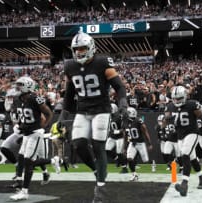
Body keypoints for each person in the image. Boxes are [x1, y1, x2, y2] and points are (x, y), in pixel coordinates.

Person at [57, 28, 128, 203]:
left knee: (98, 145)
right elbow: (69, 94)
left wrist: (123, 103)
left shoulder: (103, 62)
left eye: (82, 48)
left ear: (90, 47)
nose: (78, 52)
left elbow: (119, 86)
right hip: (82, 109)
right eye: (76, 49)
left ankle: (101, 187)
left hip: (101, 109)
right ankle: (98, 171)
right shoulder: (70, 65)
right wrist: (62, 115)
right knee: (78, 144)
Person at [9, 76, 59, 201]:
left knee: (28, 162)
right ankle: (53, 161)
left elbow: (48, 113)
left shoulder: (35, 98)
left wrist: (43, 126)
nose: (17, 87)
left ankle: (24, 192)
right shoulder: (18, 99)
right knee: (24, 160)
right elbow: (21, 117)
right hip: (26, 133)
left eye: (20, 85)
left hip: (35, 133)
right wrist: (18, 126)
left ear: (28, 85)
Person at [164, 85, 202, 197]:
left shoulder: (192, 104)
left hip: (192, 133)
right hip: (180, 136)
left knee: (185, 154)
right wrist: (166, 121)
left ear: (184, 96)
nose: (176, 101)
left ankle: (184, 184)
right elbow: (166, 120)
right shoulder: (170, 106)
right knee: (192, 158)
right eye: (174, 98)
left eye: (179, 98)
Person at [123, 107, 152, 181]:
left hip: (140, 143)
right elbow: (125, 135)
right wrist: (124, 147)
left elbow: (145, 132)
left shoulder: (138, 121)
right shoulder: (125, 122)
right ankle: (134, 175)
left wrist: (149, 143)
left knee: (145, 160)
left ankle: (152, 163)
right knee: (129, 158)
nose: (126, 115)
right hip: (132, 143)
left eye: (127, 113)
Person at [106, 103, 128, 173]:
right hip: (112, 137)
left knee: (119, 152)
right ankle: (117, 159)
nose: (109, 110)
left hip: (119, 137)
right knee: (107, 149)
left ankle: (124, 168)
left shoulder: (119, 117)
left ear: (114, 109)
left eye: (110, 109)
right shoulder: (109, 116)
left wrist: (118, 131)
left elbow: (124, 128)